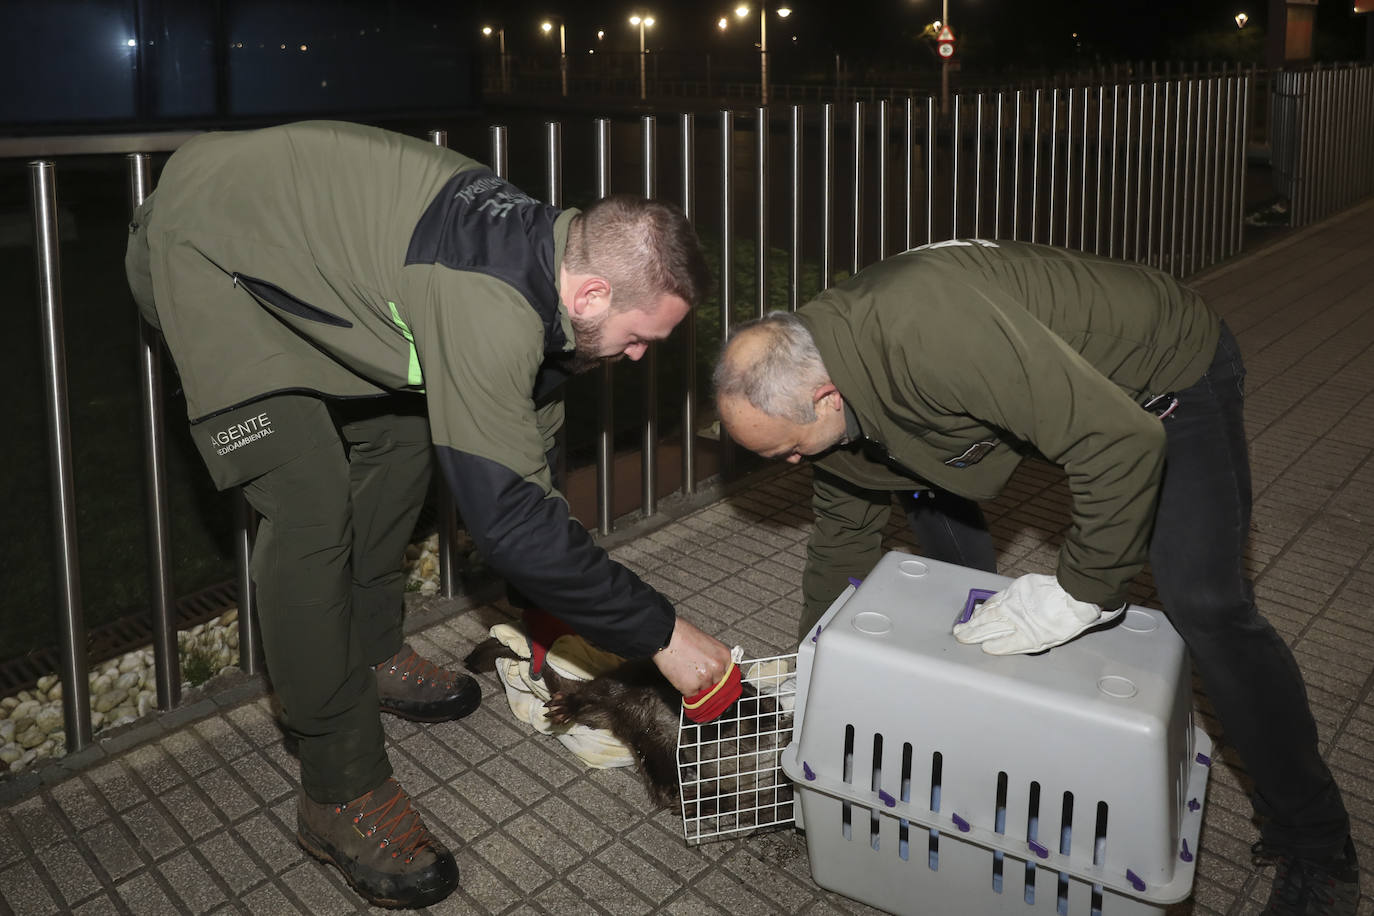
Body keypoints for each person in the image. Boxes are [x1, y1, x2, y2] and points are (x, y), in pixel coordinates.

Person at [125, 120, 732, 909]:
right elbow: (510, 520)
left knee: (411, 434)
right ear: (591, 293)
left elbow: (529, 463)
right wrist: (665, 638)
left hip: (309, 252)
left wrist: (552, 607)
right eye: (640, 337)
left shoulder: (548, 267)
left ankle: (370, 649)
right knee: (307, 511)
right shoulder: (488, 302)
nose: (641, 355)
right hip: (207, 252)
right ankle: (338, 792)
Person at [713, 239, 1360, 916]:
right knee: (932, 555)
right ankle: (966, 741)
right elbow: (842, 535)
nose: (788, 465)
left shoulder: (930, 339)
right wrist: (810, 669)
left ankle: (1317, 841)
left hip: (1160, 377)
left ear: (825, 397)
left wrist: (1082, 589)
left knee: (1207, 604)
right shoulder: (826, 379)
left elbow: (1118, 440)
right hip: (1004, 388)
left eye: (786, 449)